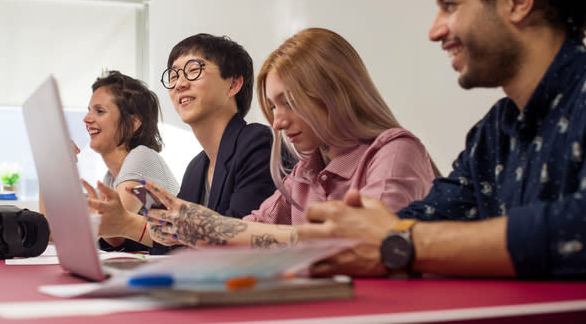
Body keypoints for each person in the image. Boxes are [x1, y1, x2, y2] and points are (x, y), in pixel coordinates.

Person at [299, 0, 586, 279]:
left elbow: (581, 228)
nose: (435, 30)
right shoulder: (493, 135)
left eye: (450, 5)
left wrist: (397, 243)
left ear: (517, 0)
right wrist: (355, 231)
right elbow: (425, 222)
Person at [141, 27, 436, 248]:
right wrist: (199, 227)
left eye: (290, 102)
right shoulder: (304, 171)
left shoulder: (395, 151)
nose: (278, 121)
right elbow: (253, 228)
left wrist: (212, 229)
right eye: (272, 106)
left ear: (335, 93)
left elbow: (367, 244)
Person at [86, 34, 276, 250]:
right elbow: (173, 245)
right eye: (173, 75)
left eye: (194, 70)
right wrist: (121, 224)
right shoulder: (196, 168)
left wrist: (127, 222)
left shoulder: (257, 143)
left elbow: (239, 238)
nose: (179, 84)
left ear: (233, 84)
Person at [79, 70, 179, 252]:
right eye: (89, 111)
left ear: (133, 123)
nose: (86, 119)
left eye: (99, 111)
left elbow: (113, 233)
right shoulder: (111, 177)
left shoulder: (141, 156)